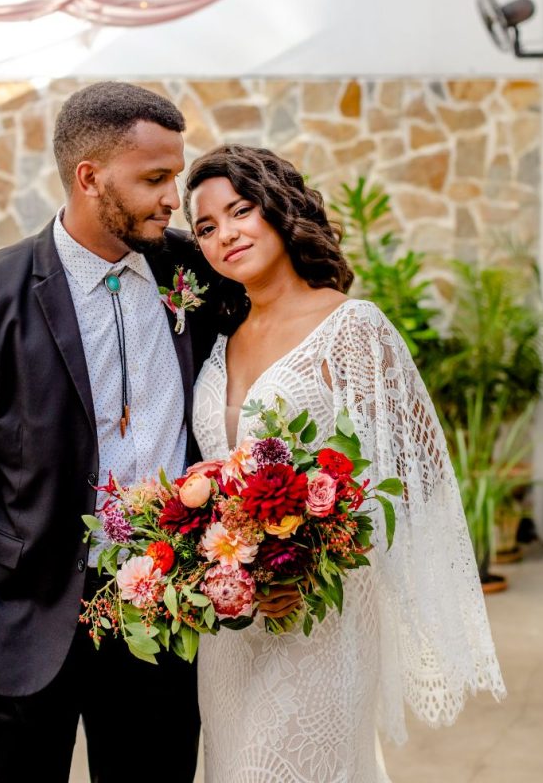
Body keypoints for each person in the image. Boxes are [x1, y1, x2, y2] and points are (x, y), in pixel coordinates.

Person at [0, 81, 218, 783]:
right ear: (89, 178)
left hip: (165, 617)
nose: (173, 199)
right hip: (24, 622)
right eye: (154, 179)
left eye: (174, 177)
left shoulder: (197, 274)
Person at [183, 144, 505, 783]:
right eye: (207, 227)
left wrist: (316, 550)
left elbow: (416, 472)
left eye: (241, 211)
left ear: (278, 208)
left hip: (320, 616)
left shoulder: (353, 326)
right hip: (231, 625)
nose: (226, 235)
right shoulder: (218, 337)